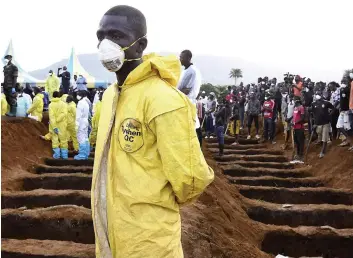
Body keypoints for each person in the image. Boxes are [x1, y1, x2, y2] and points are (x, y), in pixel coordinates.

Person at [91, 5, 214, 257]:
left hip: (150, 241)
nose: (105, 43)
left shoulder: (164, 100)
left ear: (140, 45)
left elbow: (191, 180)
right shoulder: (110, 95)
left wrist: (148, 207)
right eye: (101, 36)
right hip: (110, 234)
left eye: (115, 36)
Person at [178, 49, 202, 146]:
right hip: (184, 101)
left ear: (188, 58)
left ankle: (198, 147)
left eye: (181, 57)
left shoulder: (192, 71)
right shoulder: (186, 70)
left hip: (188, 101)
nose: (180, 59)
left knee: (193, 126)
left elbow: (186, 90)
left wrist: (172, 93)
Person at [310, 91, 334, 158]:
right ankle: (321, 145)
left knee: (324, 137)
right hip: (318, 124)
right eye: (316, 94)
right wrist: (314, 123)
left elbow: (333, 108)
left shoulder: (326, 103)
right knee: (319, 134)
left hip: (325, 123)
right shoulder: (313, 104)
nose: (318, 95)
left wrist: (330, 115)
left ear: (321, 94)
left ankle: (322, 152)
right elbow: (313, 114)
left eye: (319, 94)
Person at [49, 91, 68, 159]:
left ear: (53, 96)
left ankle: (57, 155)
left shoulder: (51, 105)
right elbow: (64, 113)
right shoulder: (64, 104)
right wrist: (58, 119)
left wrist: (54, 126)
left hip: (53, 125)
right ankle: (64, 155)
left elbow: (51, 116)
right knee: (63, 140)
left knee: (55, 140)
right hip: (62, 124)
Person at [74, 90, 90, 160]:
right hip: (85, 121)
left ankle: (82, 155)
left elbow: (78, 115)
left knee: (81, 137)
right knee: (85, 137)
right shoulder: (86, 102)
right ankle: (86, 153)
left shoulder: (80, 103)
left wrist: (76, 125)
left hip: (81, 122)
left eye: (78, 94)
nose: (77, 95)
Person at [289, 96, 305, 163]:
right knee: (297, 142)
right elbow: (294, 116)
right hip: (295, 128)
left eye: (294, 100)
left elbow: (302, 118)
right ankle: (298, 153)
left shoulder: (301, 108)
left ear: (297, 101)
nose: (293, 101)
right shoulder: (295, 107)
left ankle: (301, 154)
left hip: (300, 128)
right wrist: (291, 120)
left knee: (300, 141)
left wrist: (295, 123)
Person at [336, 79, 351, 147]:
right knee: (339, 126)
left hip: (347, 111)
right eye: (341, 82)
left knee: (347, 127)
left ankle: (350, 142)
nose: (342, 83)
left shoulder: (348, 90)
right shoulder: (341, 90)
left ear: (347, 83)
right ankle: (348, 139)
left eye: (344, 82)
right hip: (342, 111)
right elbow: (341, 100)